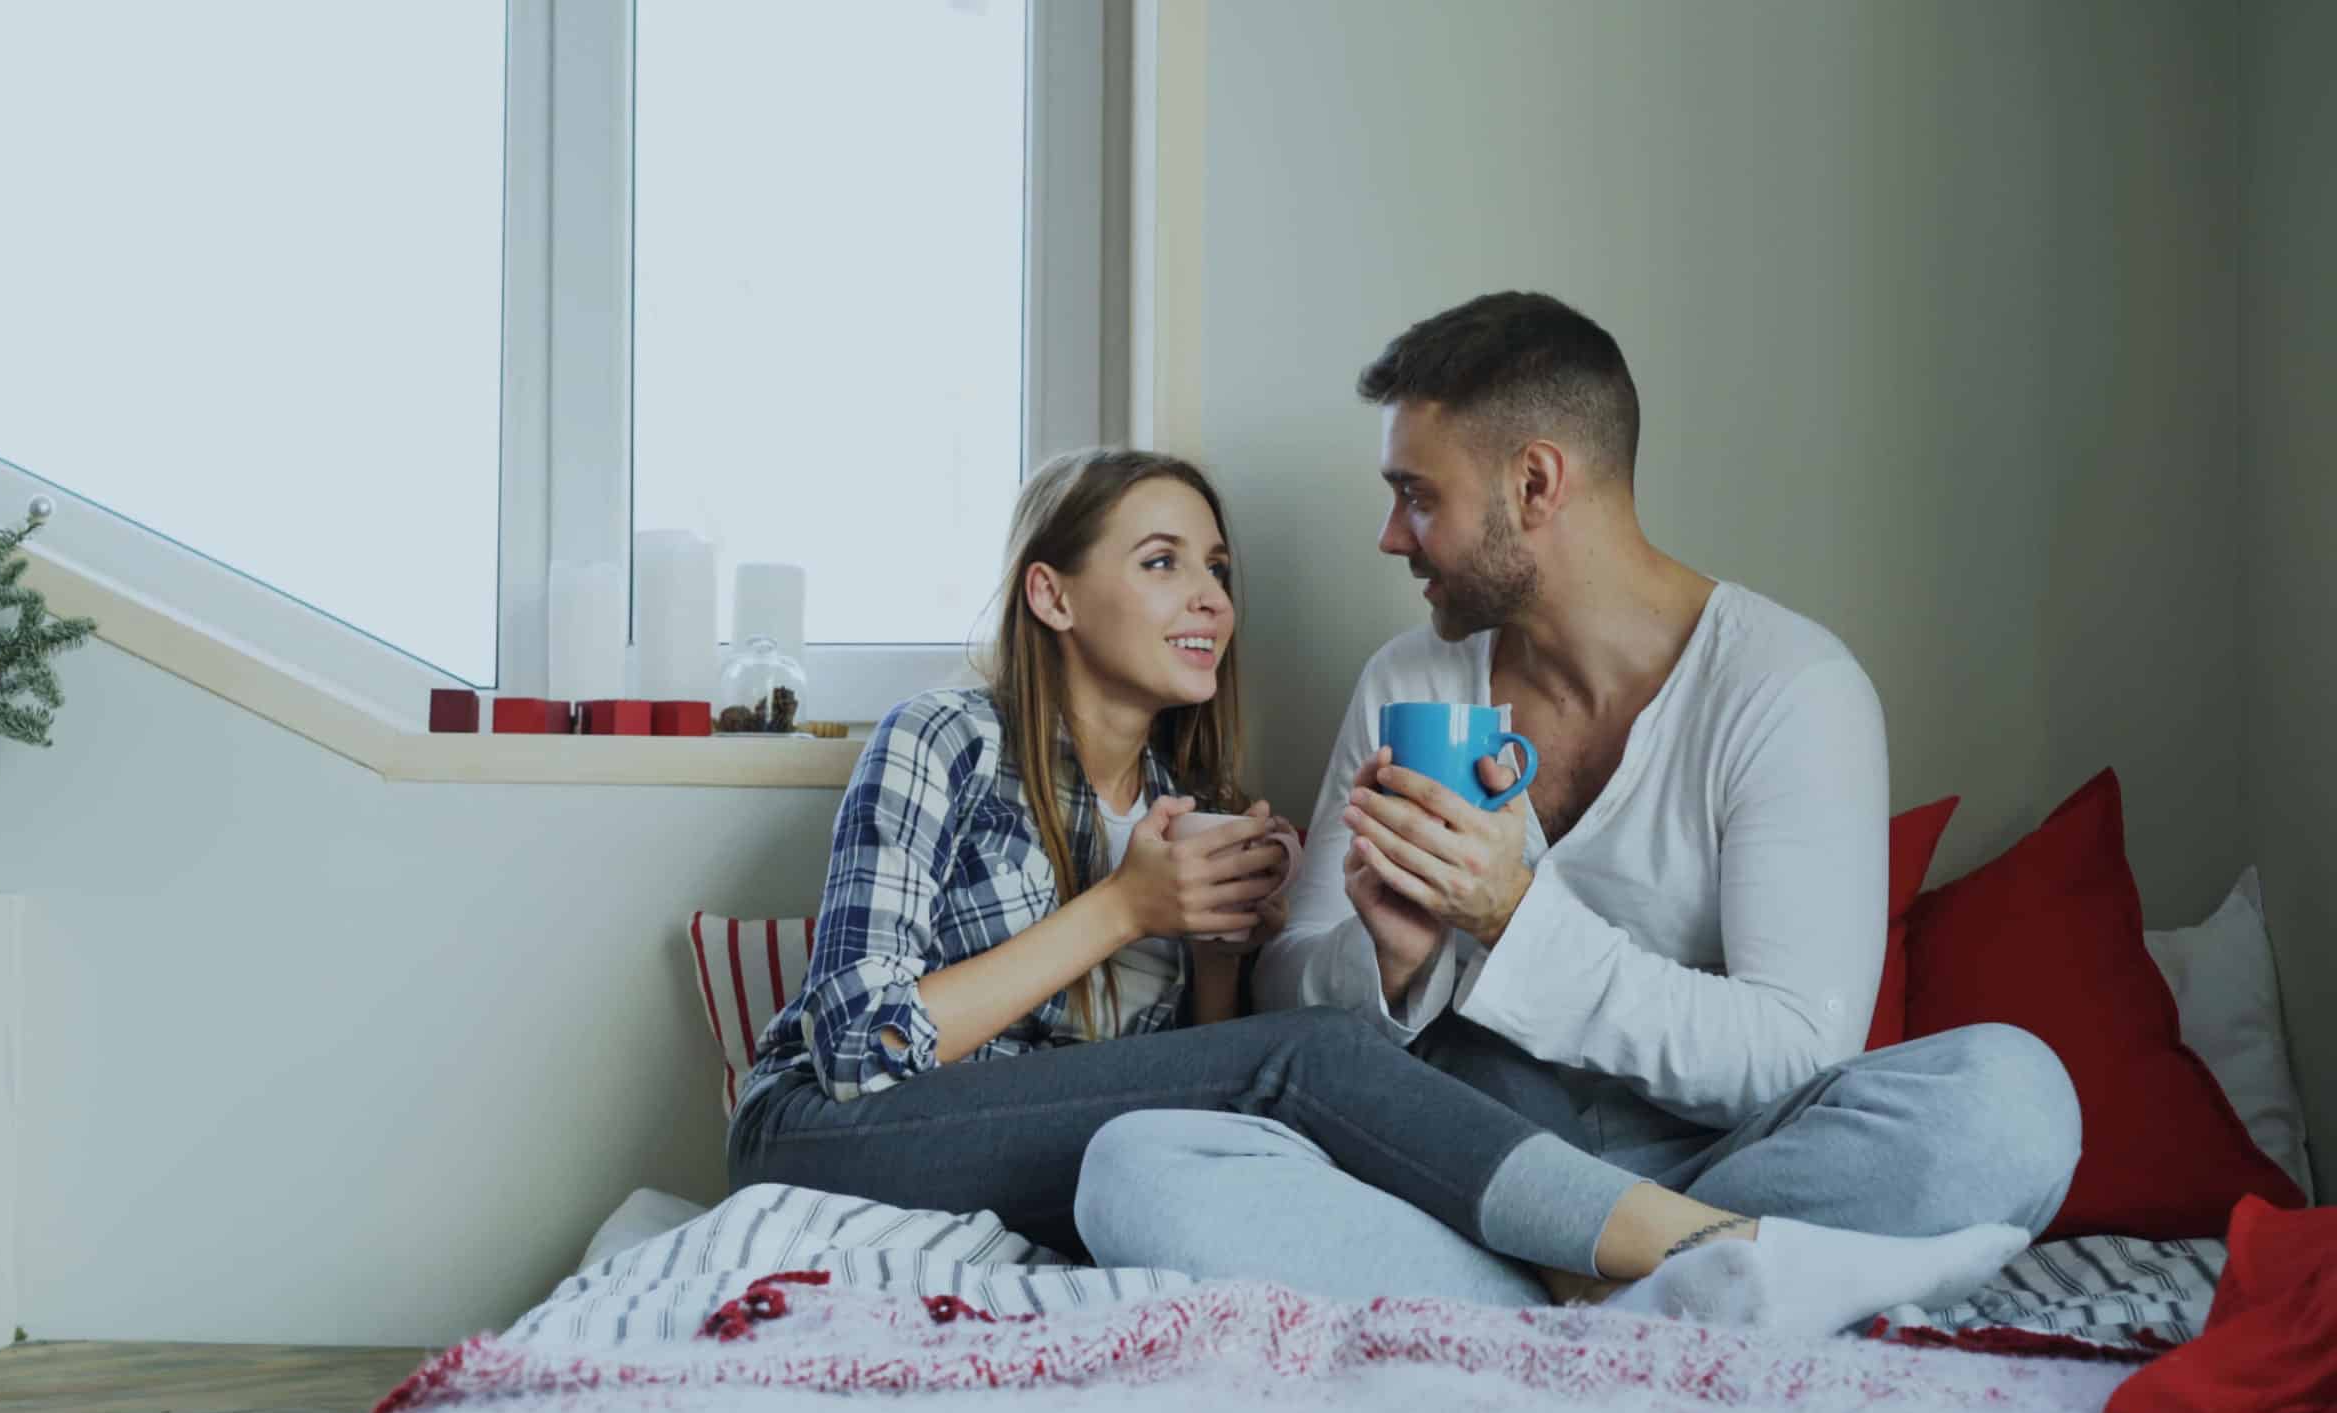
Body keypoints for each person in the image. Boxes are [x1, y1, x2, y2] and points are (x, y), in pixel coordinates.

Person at [729, 445, 2033, 1336]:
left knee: (1190, 1143)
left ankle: (1571, 1292)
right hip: (832, 1135)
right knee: (1316, 1055)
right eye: (1164, 561)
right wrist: (1123, 912)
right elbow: (856, 1049)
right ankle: (1698, 1254)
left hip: (1042, 1153)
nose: (1209, 599)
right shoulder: (942, 739)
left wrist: (1231, 946)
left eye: (1220, 569)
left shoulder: (1202, 803)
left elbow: (1184, 1086)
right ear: (1051, 592)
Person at [1072, 293, 2081, 1317]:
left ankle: (1569, 1292)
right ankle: (1688, 1287)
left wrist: (1509, 918)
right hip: (1461, 1174)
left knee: (2014, 1101)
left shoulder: (1789, 688)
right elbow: (1292, 1011)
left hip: (1714, 1168)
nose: (1390, 536)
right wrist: (1388, 958)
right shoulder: (1411, 684)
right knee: (1135, 1163)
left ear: (1536, 482)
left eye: (1417, 496)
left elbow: (1791, 1055)